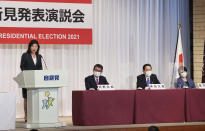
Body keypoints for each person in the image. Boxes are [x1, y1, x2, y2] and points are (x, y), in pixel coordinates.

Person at [20, 40, 43, 122]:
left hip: (36, 80)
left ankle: (35, 115)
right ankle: (26, 115)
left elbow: (40, 68)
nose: (34, 48)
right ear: (29, 47)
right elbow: (22, 67)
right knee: (26, 98)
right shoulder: (25, 55)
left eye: (36, 46)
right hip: (27, 79)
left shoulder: (39, 56)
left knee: (35, 97)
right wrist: (31, 73)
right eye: (33, 46)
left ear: (38, 48)